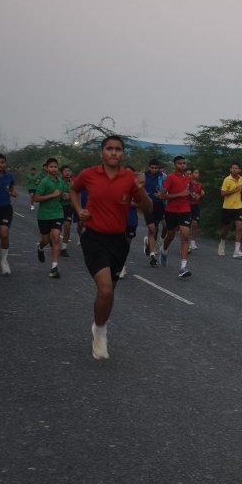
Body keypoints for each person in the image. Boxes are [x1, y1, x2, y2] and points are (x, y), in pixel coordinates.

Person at [70, 135, 151, 361]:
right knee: (104, 289)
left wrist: (140, 190)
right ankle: (101, 334)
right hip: (94, 237)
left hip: (119, 241)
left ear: (122, 154)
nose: (113, 152)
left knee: (110, 291)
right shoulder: (88, 174)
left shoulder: (129, 178)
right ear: (101, 152)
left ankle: (100, 325)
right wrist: (79, 210)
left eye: (118, 149)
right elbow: (74, 190)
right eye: (109, 149)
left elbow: (148, 207)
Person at [159, 155, 194, 278]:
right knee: (171, 235)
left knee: (185, 237)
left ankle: (183, 267)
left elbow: (190, 194)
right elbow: (162, 196)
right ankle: (163, 249)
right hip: (171, 211)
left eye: (184, 163)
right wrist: (180, 194)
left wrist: (193, 195)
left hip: (185, 210)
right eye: (180, 163)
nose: (182, 165)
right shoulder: (170, 177)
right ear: (175, 165)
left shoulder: (189, 179)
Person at [32, 157, 65, 275]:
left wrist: (64, 196)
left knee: (56, 238)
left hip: (57, 214)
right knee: (45, 240)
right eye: (51, 167)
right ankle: (40, 247)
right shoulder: (44, 181)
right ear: (46, 168)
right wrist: (52, 195)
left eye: (55, 167)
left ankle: (54, 267)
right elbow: (36, 198)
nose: (54, 169)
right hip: (44, 215)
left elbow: (60, 195)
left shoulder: (61, 181)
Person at [218, 163, 242, 258]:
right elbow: (222, 193)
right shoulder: (227, 179)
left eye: (236, 168)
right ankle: (222, 244)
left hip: (238, 206)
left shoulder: (241, 179)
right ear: (230, 170)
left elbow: (240, 189)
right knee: (226, 228)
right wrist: (234, 190)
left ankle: (236, 251)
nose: (234, 169)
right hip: (227, 207)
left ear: (239, 170)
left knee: (239, 227)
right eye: (233, 168)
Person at [142, 158, 166, 265]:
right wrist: (143, 194)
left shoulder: (163, 177)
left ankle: (148, 244)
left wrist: (161, 195)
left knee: (155, 229)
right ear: (149, 167)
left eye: (156, 168)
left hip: (159, 205)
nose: (154, 170)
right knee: (151, 229)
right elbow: (138, 188)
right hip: (147, 205)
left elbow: (168, 190)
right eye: (152, 168)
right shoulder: (143, 176)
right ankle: (152, 255)